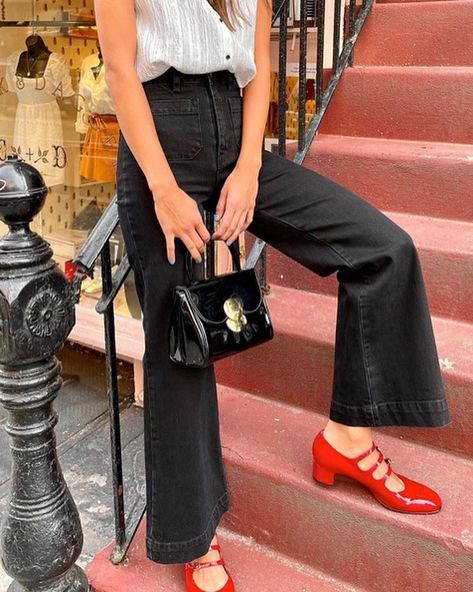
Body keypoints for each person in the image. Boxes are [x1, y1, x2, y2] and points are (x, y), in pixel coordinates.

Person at [93, 1, 452, 590]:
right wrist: (161, 187)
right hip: (161, 137)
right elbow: (120, 70)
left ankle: (347, 441)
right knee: (180, 340)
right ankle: (195, 536)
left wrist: (249, 173)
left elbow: (259, 67)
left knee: (383, 248)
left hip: (237, 137)